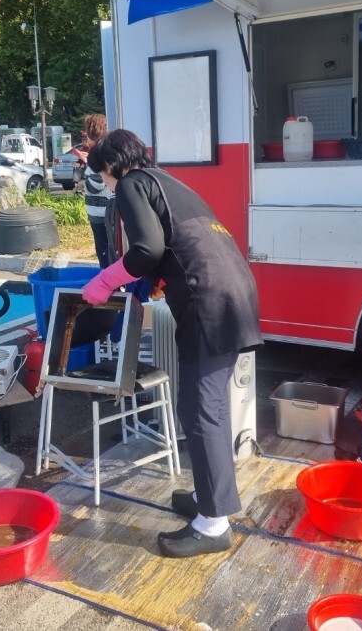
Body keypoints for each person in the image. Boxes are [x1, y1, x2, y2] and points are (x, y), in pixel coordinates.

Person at [81, 129, 262, 559]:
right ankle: (208, 498)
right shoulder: (165, 180)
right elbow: (179, 242)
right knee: (206, 408)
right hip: (234, 292)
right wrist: (157, 279)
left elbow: (146, 248)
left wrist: (104, 281)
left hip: (208, 302)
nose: (106, 184)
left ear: (111, 166)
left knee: (200, 412)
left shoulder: (130, 183)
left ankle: (213, 525)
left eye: (102, 176)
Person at [79, 114, 114, 267]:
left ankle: (106, 279)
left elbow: (96, 185)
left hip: (100, 211)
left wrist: (83, 184)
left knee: (104, 251)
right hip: (106, 210)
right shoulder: (108, 149)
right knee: (109, 249)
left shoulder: (99, 152)